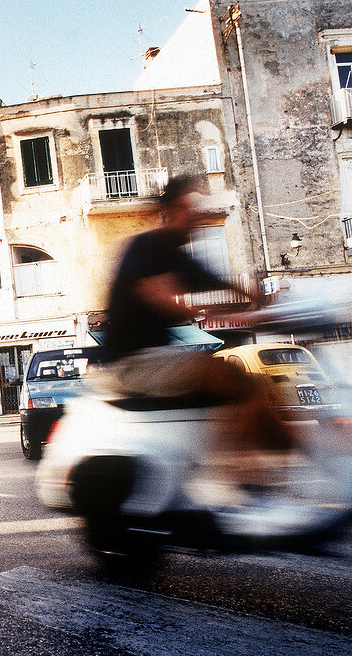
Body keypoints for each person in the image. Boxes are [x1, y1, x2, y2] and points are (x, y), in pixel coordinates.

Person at [101, 174, 290, 456]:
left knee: (236, 381)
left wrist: (262, 299)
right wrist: (210, 314)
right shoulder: (146, 247)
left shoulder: (177, 256)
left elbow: (222, 281)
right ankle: (240, 472)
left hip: (152, 361)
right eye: (188, 208)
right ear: (170, 212)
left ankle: (244, 465)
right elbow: (156, 293)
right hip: (131, 365)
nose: (195, 217)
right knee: (229, 376)